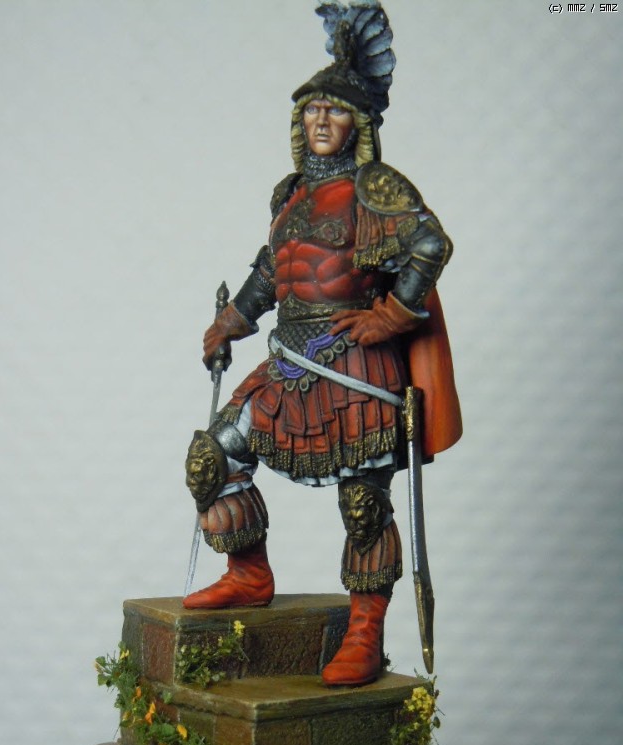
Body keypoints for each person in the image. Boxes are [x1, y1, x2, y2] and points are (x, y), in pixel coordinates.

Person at [183, 1, 462, 687]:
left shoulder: (375, 187)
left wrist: (393, 315)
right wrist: (231, 321)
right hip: (288, 361)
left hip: (358, 366)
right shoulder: (290, 194)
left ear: (357, 123)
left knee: (363, 506)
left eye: (334, 110)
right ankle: (249, 573)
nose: (320, 120)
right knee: (213, 456)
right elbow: (270, 271)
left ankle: (364, 631)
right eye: (311, 109)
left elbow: (431, 244)